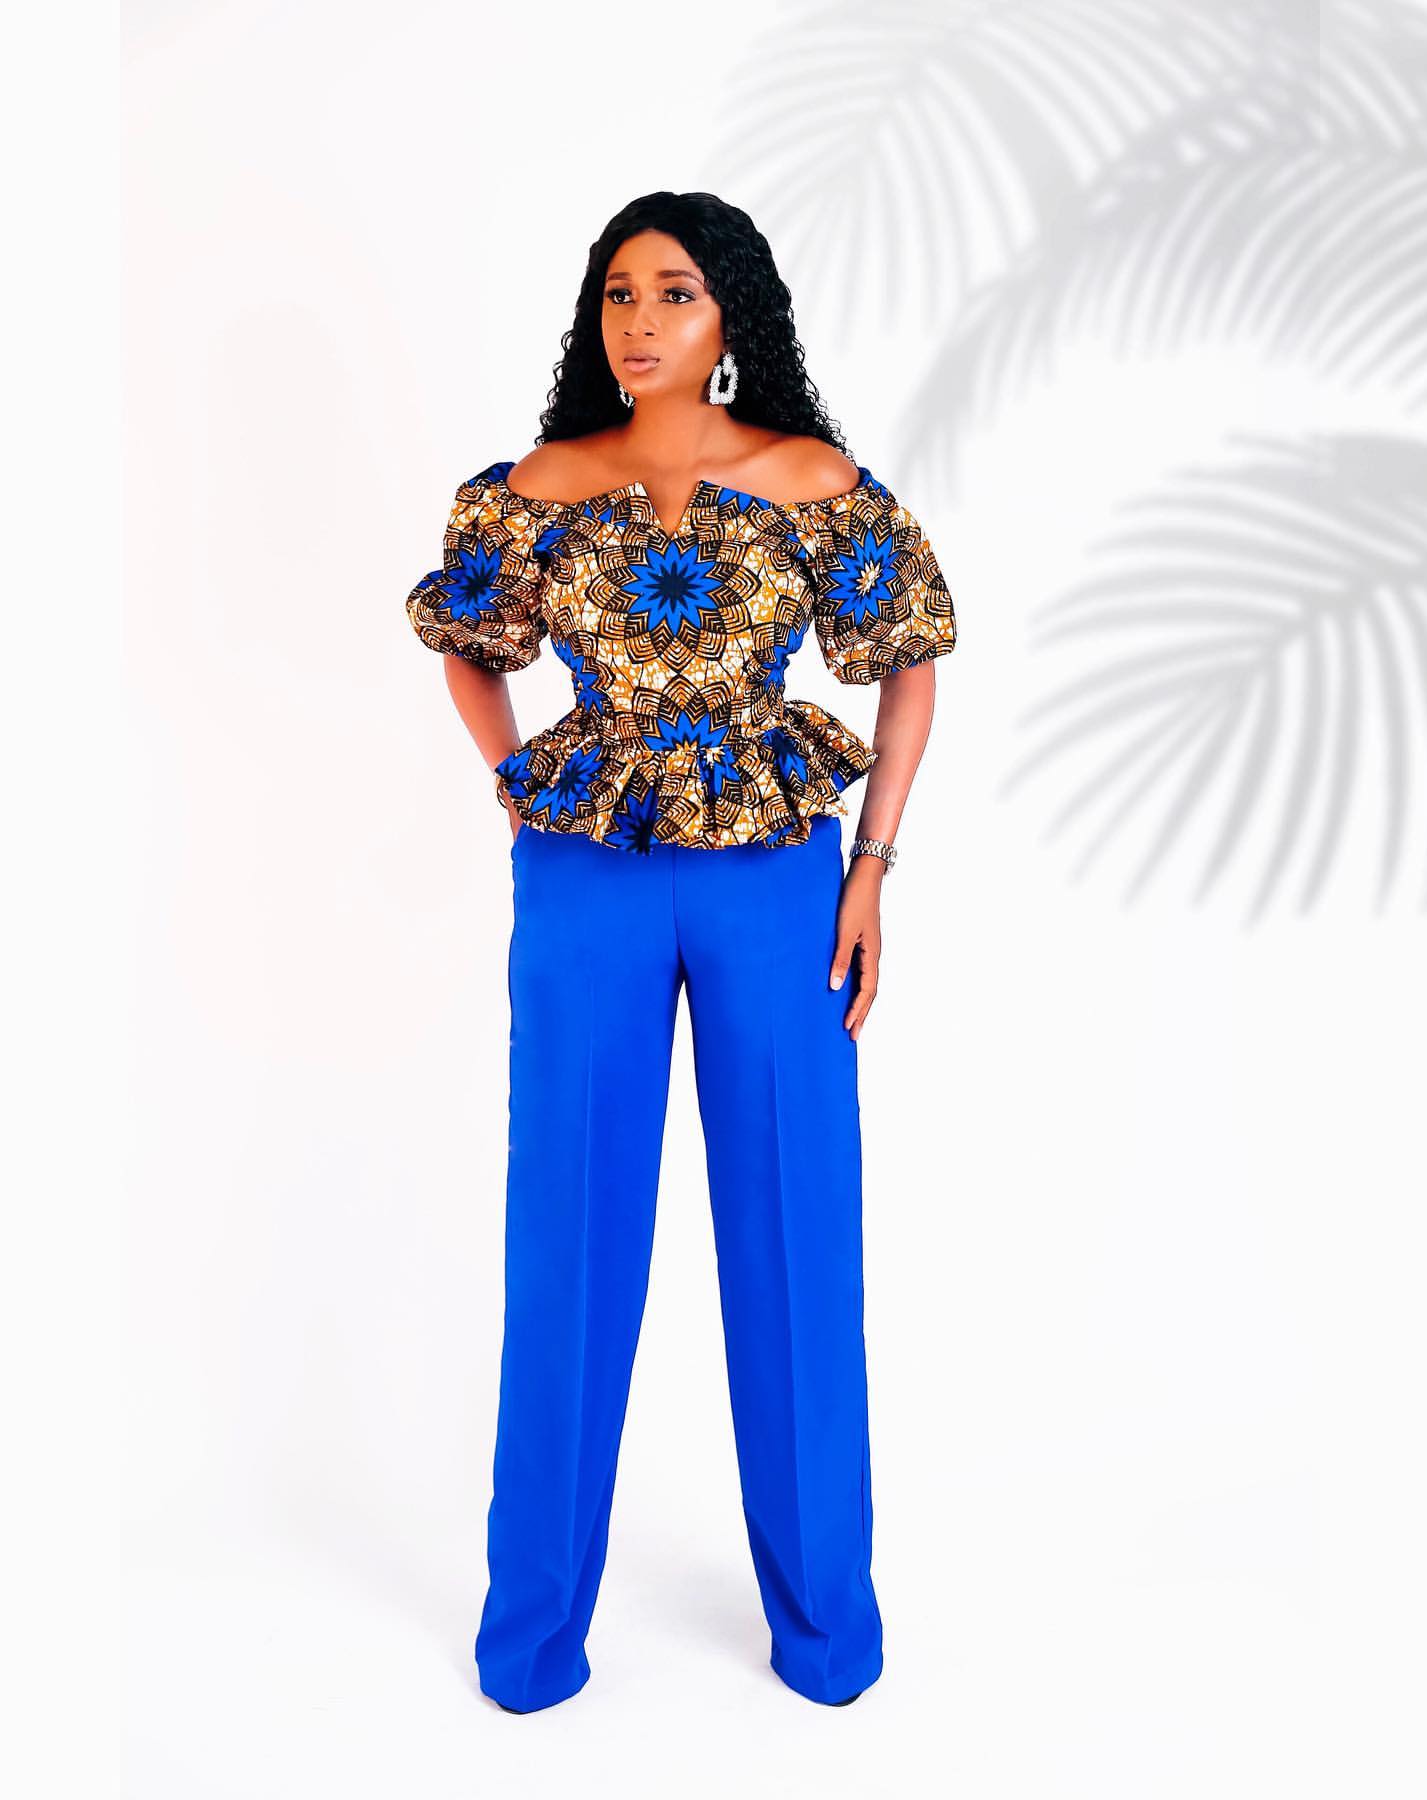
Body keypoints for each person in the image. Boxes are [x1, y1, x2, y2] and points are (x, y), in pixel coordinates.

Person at [403, 191, 956, 1714]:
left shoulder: (812, 481)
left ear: (732, 319)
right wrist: (515, 785)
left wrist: (872, 868)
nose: (640, 320)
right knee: (568, 1233)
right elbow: (471, 648)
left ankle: (828, 1632)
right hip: (586, 875)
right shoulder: (533, 488)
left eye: (675, 292)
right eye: (619, 292)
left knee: (798, 1229)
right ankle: (531, 1640)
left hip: (778, 877)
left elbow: (908, 666)